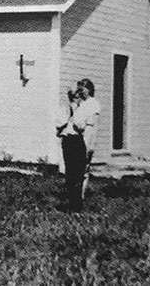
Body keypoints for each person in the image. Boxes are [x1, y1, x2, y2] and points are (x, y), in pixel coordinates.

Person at [57, 78, 100, 212]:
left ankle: (78, 201)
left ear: (90, 90)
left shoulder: (92, 104)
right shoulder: (80, 104)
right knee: (72, 172)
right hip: (73, 139)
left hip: (83, 138)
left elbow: (85, 125)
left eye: (84, 89)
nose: (81, 92)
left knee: (82, 170)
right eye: (80, 89)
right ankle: (75, 199)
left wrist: (88, 145)